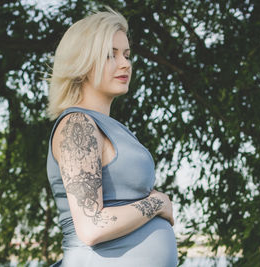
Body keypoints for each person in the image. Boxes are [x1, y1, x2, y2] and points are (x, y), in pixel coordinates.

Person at [46, 8, 178, 267]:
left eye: (127, 55)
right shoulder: (77, 125)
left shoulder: (110, 127)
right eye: (110, 55)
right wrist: (156, 203)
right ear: (82, 63)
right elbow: (91, 226)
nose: (125, 63)